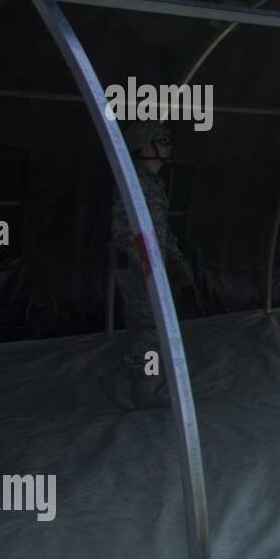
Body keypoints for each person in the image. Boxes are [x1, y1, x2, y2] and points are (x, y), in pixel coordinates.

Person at [109, 120, 195, 408]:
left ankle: (137, 384)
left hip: (152, 270)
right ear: (144, 146)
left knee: (155, 329)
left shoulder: (152, 184)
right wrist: (151, 268)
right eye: (162, 141)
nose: (168, 147)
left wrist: (175, 261)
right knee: (149, 329)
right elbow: (124, 233)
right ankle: (135, 385)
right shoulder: (131, 185)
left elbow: (161, 230)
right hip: (139, 272)